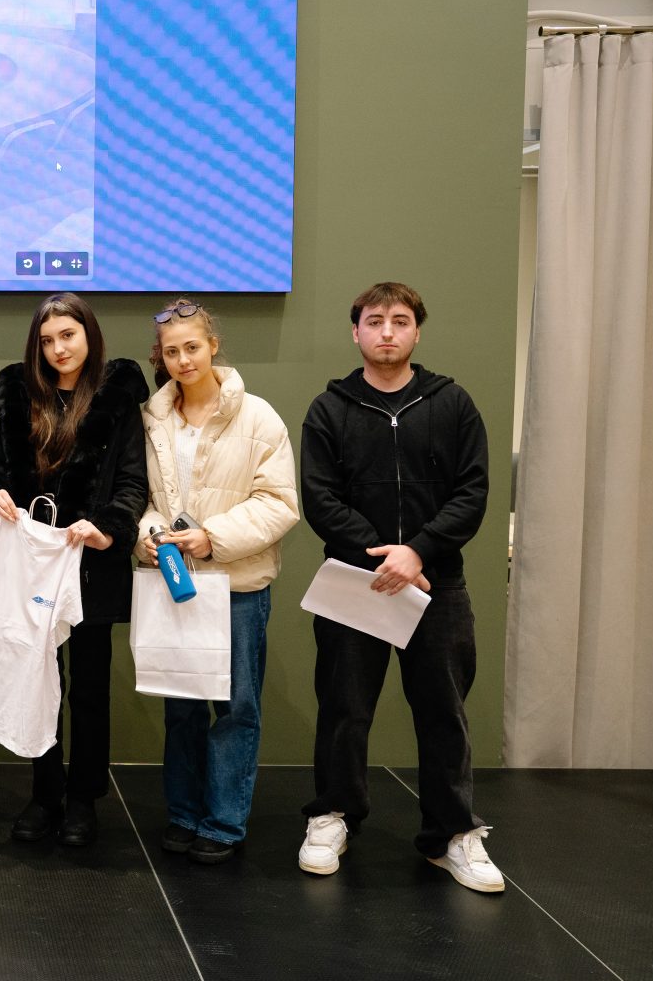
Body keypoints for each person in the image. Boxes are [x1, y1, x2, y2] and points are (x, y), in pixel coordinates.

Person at [296, 282, 501, 893]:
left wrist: (419, 552)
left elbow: (472, 491)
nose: (387, 331)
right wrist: (384, 553)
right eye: (375, 320)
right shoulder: (328, 409)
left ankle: (451, 835)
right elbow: (320, 498)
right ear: (356, 331)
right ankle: (332, 817)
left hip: (438, 583)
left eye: (401, 320)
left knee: (444, 713)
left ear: (417, 331)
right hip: (354, 581)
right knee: (344, 709)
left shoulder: (453, 404)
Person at [133, 299, 299, 864]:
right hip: (174, 585)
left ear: (213, 346)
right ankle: (183, 813)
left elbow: (279, 503)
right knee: (181, 708)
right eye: (171, 352)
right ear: (161, 357)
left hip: (237, 588)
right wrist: (150, 536)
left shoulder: (259, 417)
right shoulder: (150, 420)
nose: (183, 360)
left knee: (236, 708)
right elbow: (141, 498)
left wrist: (212, 538)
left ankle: (224, 822)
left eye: (192, 347)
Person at [0, 293, 148, 846]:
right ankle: (45, 793)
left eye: (68, 336)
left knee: (90, 690)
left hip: (92, 562)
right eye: (47, 340)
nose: (58, 349)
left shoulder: (117, 398)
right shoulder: (19, 395)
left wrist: (109, 529)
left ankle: (83, 800)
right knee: (38, 681)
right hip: (32, 564)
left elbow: (133, 482)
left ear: (89, 336)